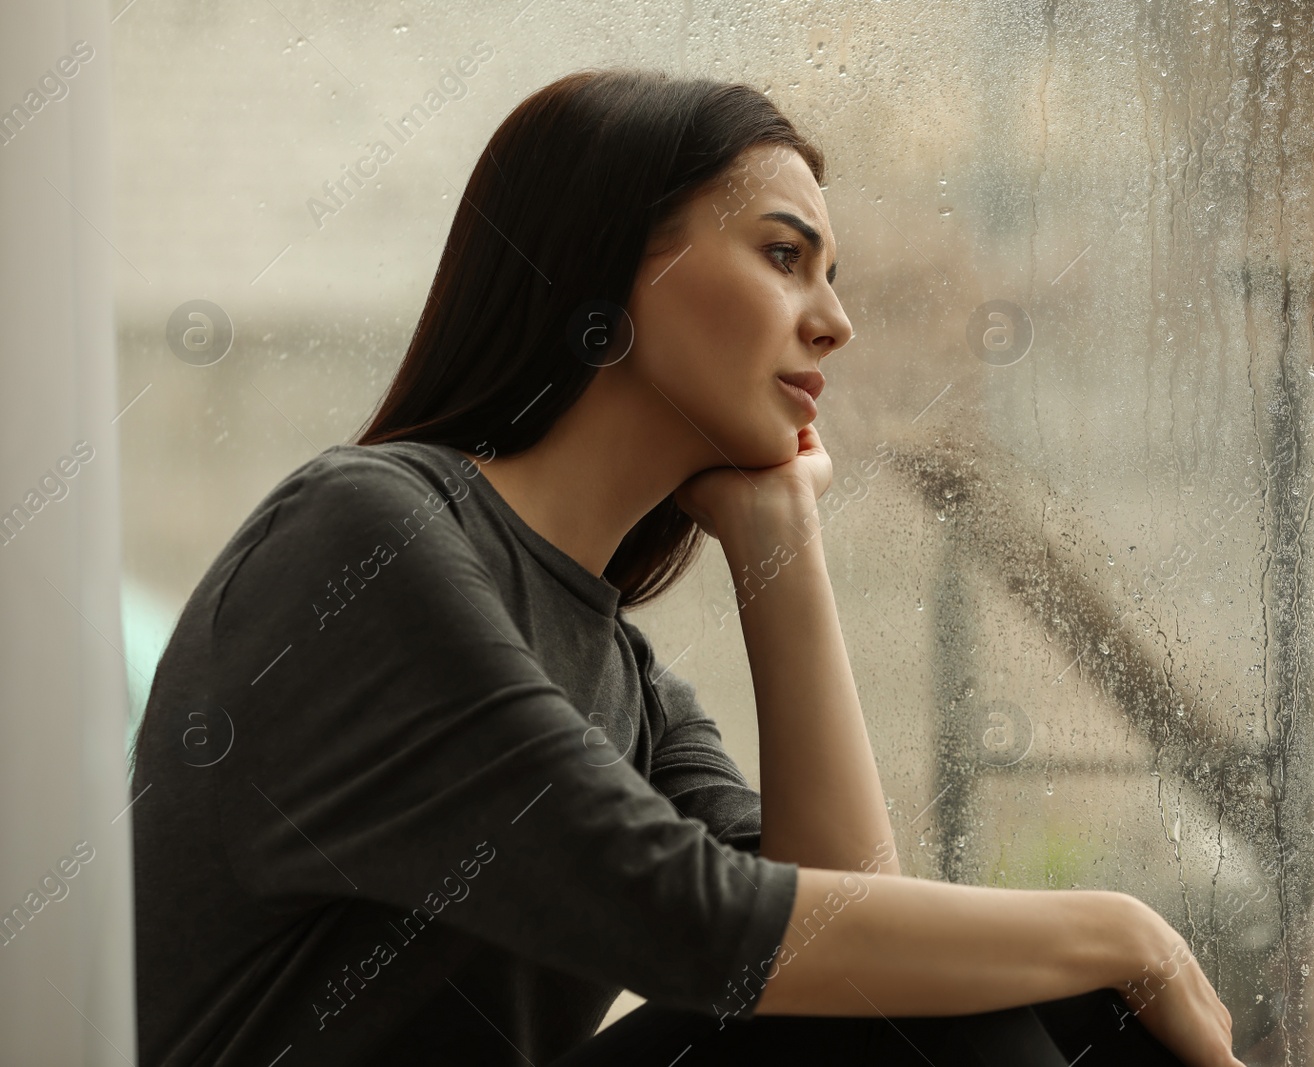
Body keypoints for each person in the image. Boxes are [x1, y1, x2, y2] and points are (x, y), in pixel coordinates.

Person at [129, 67, 1244, 1066]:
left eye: (832, 274)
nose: (838, 322)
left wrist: (779, 542)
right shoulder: (364, 535)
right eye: (782, 256)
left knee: (1018, 995)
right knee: (1057, 973)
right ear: (613, 269)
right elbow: (693, 920)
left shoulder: (623, 670)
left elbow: (856, 935)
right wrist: (1123, 931)